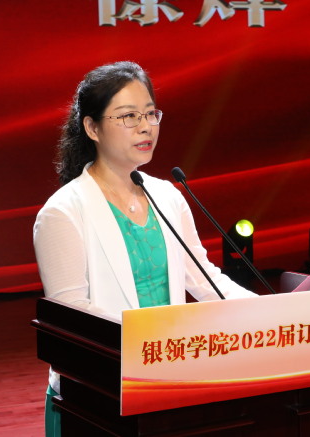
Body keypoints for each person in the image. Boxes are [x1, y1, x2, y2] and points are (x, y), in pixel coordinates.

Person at [33, 61, 256, 436]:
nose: (145, 126)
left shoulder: (167, 196)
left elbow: (206, 280)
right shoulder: (63, 212)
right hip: (97, 393)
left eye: (151, 114)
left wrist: (267, 314)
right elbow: (73, 319)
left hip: (169, 379)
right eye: (128, 116)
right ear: (92, 128)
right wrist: (154, 344)